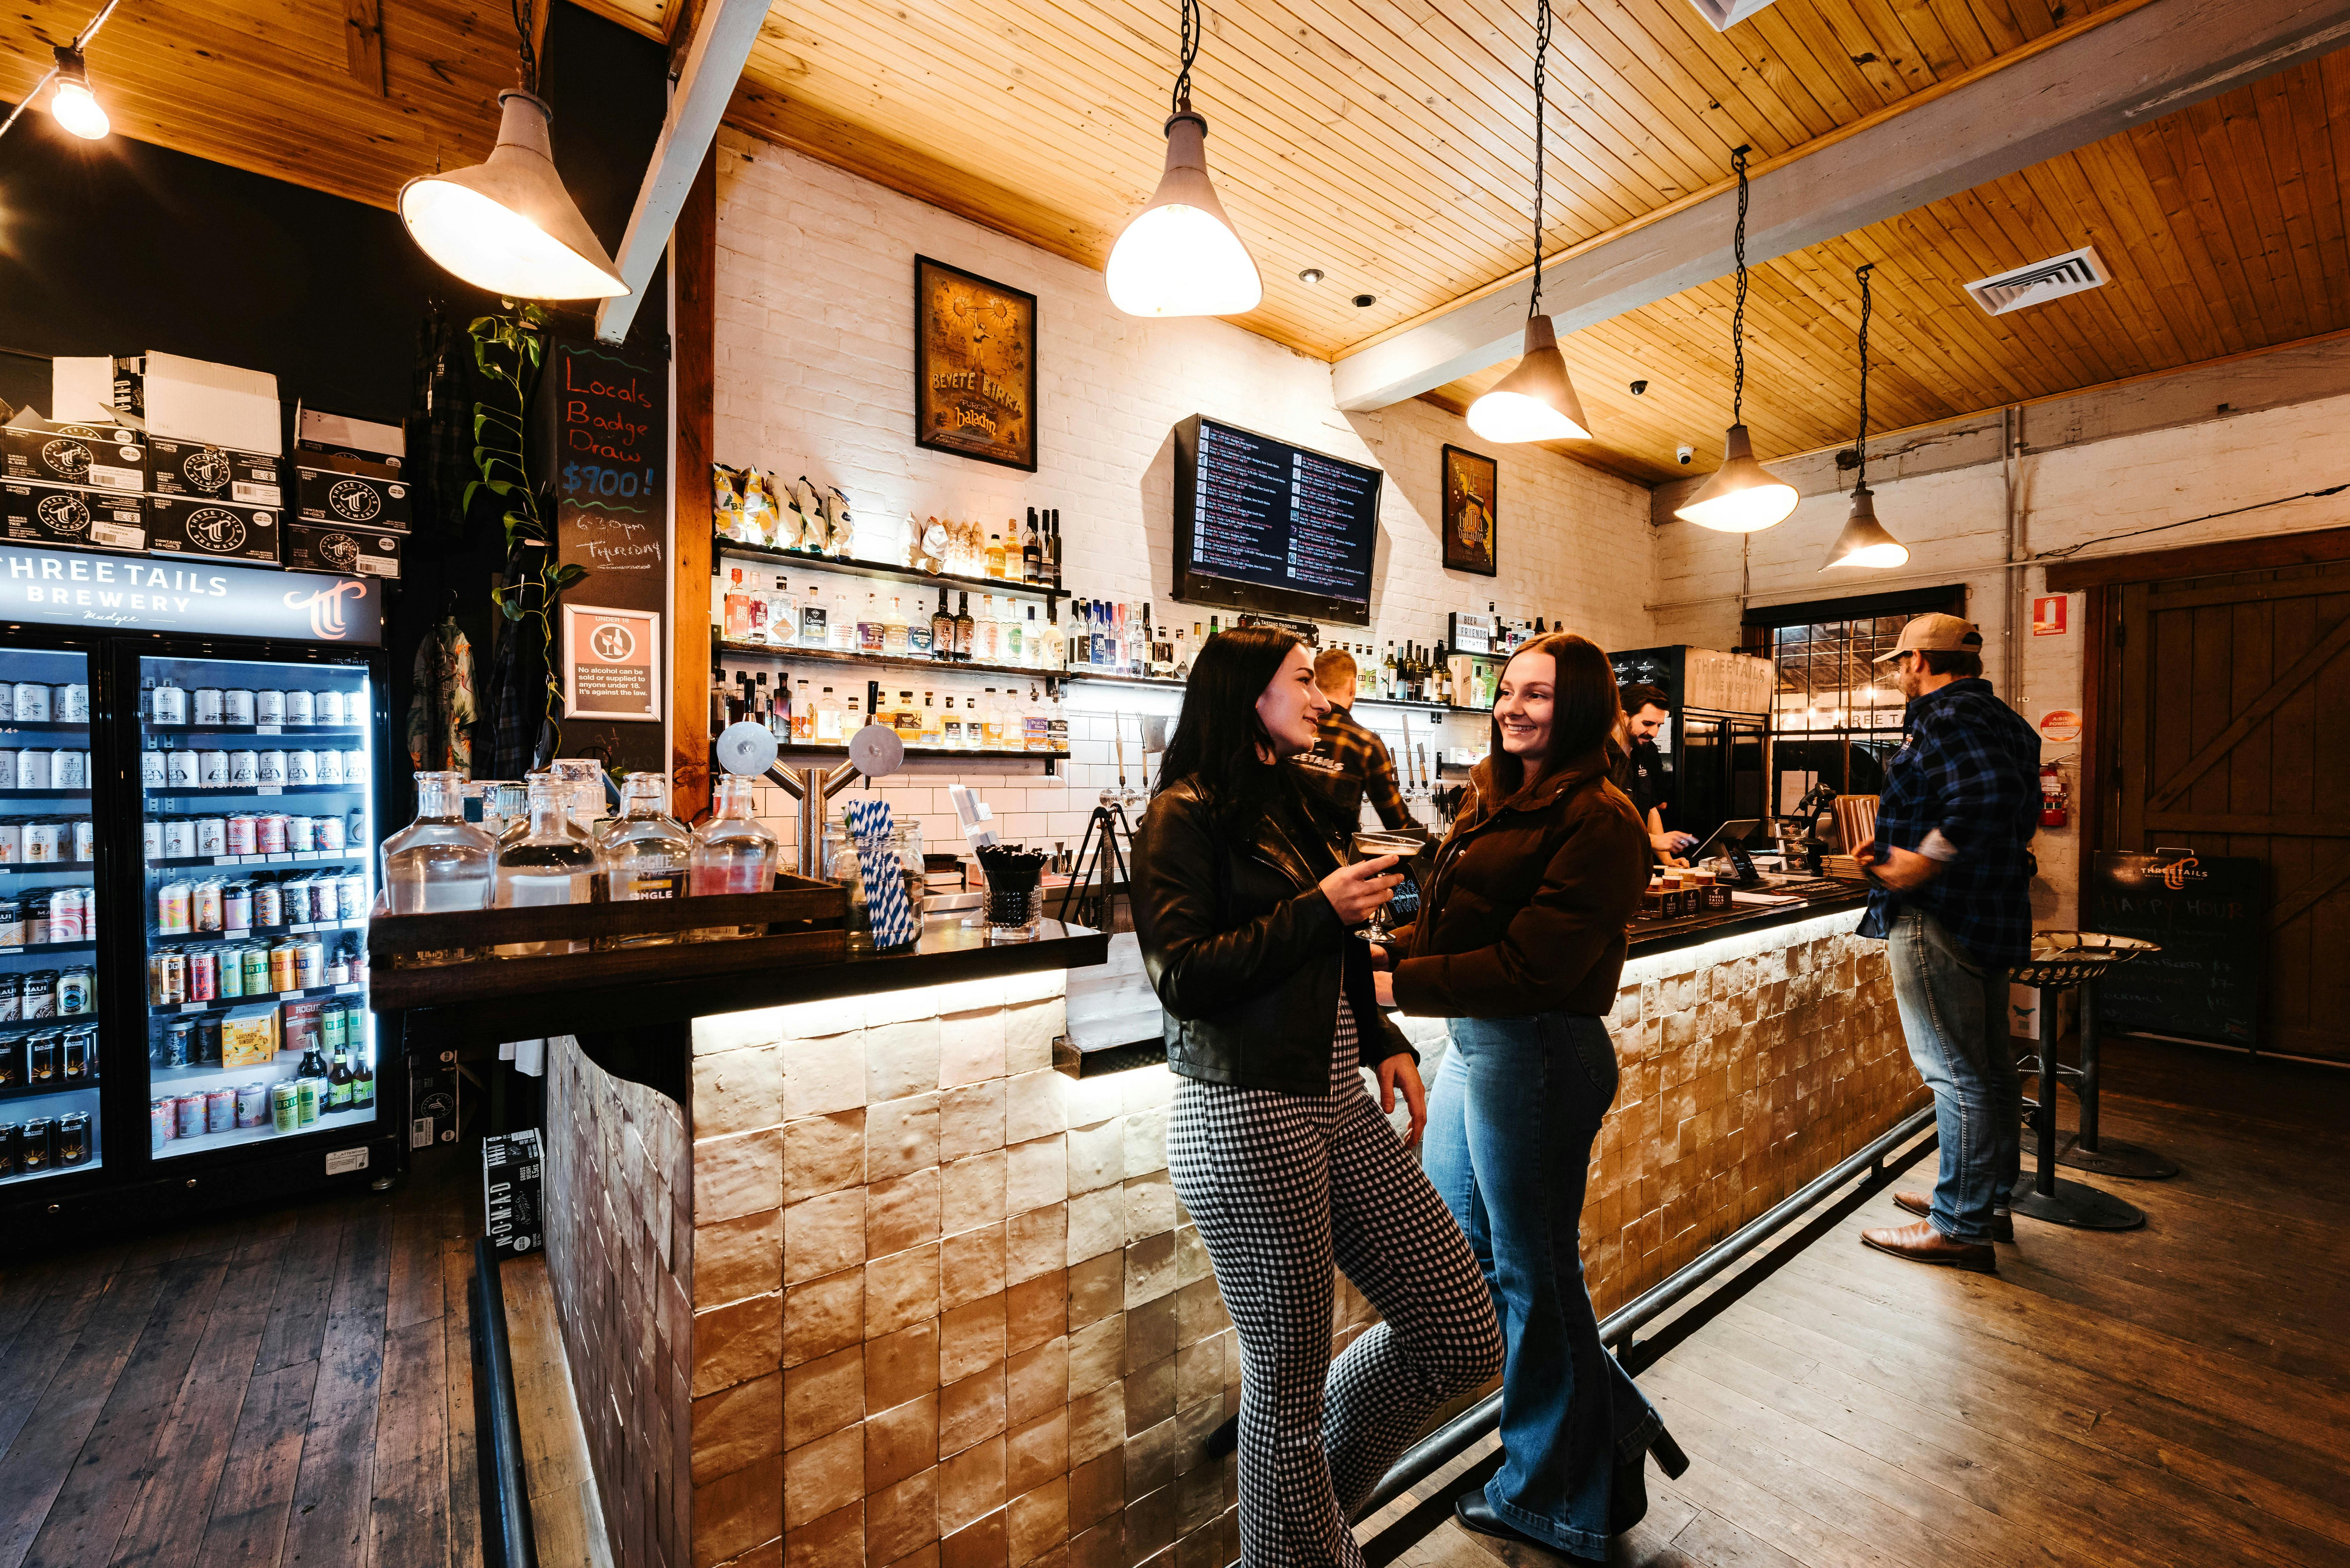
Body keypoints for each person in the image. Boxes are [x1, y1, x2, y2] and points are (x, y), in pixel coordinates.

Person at [1131, 625, 1503, 1568]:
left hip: (1335, 1097)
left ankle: (1301, 1533)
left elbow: (1338, 949)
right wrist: (1316, 908)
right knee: (1286, 1393)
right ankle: (1309, 1546)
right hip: (1247, 1110)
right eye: (1301, 680)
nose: (1324, 697)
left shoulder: (1296, 799)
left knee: (1460, 1328)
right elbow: (1181, 974)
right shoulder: (1181, 813)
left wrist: (1381, 1038)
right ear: (1247, 695)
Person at [1373, 632, 1687, 1559]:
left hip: (1539, 1049)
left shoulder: (1601, 817)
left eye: (1537, 695)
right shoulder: (1498, 793)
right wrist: (1385, 948)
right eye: (1507, 690)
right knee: (1464, 1255)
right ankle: (1607, 1420)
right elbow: (1459, 917)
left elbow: (1530, 964)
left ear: (1579, 706)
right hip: (1480, 1044)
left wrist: (1395, 984)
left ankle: (1551, 1496)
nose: (1513, 707)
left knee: (1533, 1271)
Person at [1854, 613, 2042, 1274]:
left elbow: (1987, 794)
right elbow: (2016, 806)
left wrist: (1922, 859)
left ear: (1918, 661)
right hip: (1991, 911)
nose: (1901, 675)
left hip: (1940, 913)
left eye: (1901, 664)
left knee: (1954, 1071)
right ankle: (1985, 1202)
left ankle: (1959, 1223)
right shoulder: (2006, 721)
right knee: (1990, 1067)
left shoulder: (1944, 714)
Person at [1294, 645, 1420, 833]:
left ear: (1314, 683)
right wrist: (1448, 848)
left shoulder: (1291, 731)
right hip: (1334, 852)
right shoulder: (1366, 744)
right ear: (1353, 686)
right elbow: (1400, 826)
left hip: (1277, 849)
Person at [1614, 682, 1693, 863]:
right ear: (1624, 716)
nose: (1654, 733)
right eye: (1648, 724)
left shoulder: (1647, 750)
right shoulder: (1600, 755)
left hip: (1636, 862)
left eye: (1659, 725)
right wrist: (1654, 841)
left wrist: (1668, 860)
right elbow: (1602, 823)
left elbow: (1650, 809)